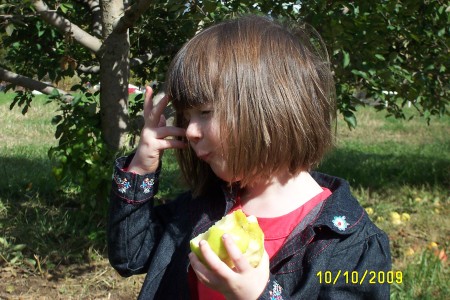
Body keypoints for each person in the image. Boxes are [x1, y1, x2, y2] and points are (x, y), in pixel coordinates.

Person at [108, 15, 391, 299]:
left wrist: (261, 295)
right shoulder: (202, 207)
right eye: (186, 116)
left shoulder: (353, 247)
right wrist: (141, 168)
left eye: (205, 112)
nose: (190, 131)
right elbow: (131, 256)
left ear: (272, 109)